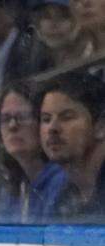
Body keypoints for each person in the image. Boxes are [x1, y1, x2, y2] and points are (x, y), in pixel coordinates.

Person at [35, 73, 105, 221]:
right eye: (46, 119)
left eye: (67, 117)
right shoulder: (64, 196)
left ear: (101, 127)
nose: (52, 128)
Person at [0, 83, 54, 222]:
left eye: (23, 116)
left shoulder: (60, 182)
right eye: (6, 119)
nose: (12, 126)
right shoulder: (11, 188)